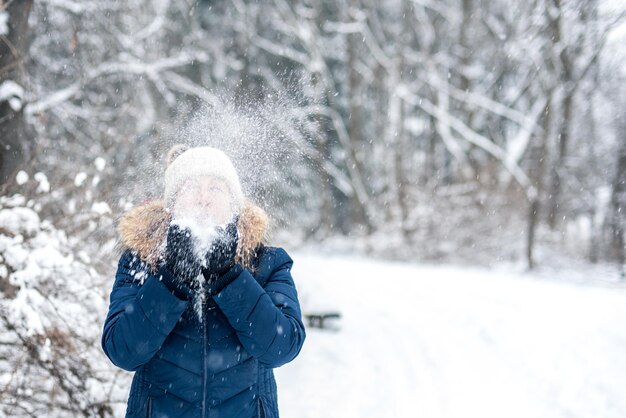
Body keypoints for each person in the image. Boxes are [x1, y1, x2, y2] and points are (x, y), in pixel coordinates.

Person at [101, 144, 306, 418]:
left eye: (216, 188)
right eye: (191, 187)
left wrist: (229, 278)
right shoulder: (141, 262)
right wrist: (172, 279)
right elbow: (122, 351)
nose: (203, 198)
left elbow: (283, 347)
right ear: (171, 204)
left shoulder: (266, 263)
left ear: (234, 204)